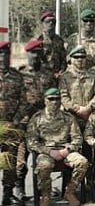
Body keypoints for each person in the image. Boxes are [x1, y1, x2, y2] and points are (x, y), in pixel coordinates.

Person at [27, 88, 88, 206]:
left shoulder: (68, 117)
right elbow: (31, 141)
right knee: (44, 166)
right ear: (45, 100)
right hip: (46, 151)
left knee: (82, 162)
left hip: (65, 150)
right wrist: (49, 152)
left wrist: (68, 150)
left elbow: (77, 138)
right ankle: (46, 195)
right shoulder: (37, 118)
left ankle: (70, 192)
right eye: (51, 99)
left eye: (57, 99)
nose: (54, 102)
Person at [16, 41, 53, 201]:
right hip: (25, 120)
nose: (36, 55)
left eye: (38, 52)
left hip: (43, 121)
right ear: (27, 54)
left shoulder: (47, 74)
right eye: (33, 52)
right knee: (21, 156)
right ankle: (19, 188)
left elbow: (53, 96)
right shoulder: (20, 74)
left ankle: (43, 189)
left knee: (44, 156)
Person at [0, 42, 27, 205]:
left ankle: (7, 193)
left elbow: (23, 102)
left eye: (5, 55)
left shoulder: (17, 77)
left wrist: (15, 121)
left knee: (9, 160)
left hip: (10, 125)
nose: (2, 58)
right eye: (0, 55)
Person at [59, 46, 95, 128]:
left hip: (90, 116)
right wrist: (78, 109)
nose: (80, 59)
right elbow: (63, 97)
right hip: (71, 117)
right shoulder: (65, 77)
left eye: (82, 57)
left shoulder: (93, 76)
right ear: (71, 59)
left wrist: (88, 108)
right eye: (76, 57)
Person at [65, 9, 95, 75]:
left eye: (91, 21)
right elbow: (67, 60)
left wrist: (91, 72)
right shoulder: (72, 39)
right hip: (74, 75)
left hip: (93, 75)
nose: (89, 23)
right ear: (80, 22)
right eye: (85, 20)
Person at [34, 11, 66, 78]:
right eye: (48, 21)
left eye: (53, 22)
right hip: (43, 77)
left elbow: (63, 59)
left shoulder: (59, 40)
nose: (51, 23)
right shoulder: (37, 40)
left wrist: (61, 71)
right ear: (43, 23)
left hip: (58, 77)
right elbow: (34, 62)